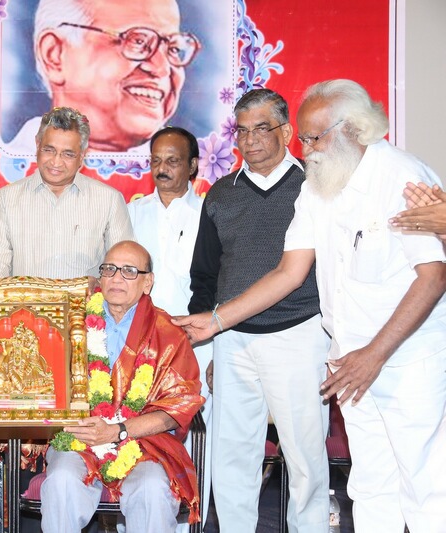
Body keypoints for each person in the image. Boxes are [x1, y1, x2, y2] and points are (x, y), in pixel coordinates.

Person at [178, 79, 446, 533]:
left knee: (423, 484)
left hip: (403, 360)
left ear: (354, 130)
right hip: (351, 361)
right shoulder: (319, 187)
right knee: (370, 484)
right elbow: (289, 272)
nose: (306, 148)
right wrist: (216, 321)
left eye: (313, 137)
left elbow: (433, 277)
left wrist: (373, 356)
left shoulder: (403, 178)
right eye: (304, 138)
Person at [188, 88, 330, 532]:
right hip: (231, 341)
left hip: (299, 333)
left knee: (305, 454)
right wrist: (209, 349)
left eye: (261, 129)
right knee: (232, 453)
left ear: (287, 132)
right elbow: (205, 278)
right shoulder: (220, 195)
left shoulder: (316, 185)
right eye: (241, 131)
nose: (249, 141)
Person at [41, 240, 204, 531]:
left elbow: (175, 409)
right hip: (79, 437)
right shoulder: (67, 323)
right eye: (109, 269)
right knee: (61, 481)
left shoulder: (169, 334)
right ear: (100, 277)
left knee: (153, 489)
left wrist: (118, 432)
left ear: (147, 282)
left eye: (129, 271)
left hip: (145, 444)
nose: (116, 277)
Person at [126, 126, 213, 529]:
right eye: (156, 161)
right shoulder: (131, 214)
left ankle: (190, 522)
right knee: (134, 434)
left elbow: (221, 284)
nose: (162, 169)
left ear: (193, 165)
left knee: (200, 439)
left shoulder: (209, 215)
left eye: (173, 161)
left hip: (197, 348)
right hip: (136, 352)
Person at [5, 0, 200, 154]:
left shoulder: (189, 174)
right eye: (138, 41)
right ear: (54, 55)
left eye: (173, 49)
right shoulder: (8, 169)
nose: (162, 68)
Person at [0, 106, 133, 279]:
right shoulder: (5, 199)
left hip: (88, 305)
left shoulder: (108, 200)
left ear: (82, 156)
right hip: (23, 306)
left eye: (68, 154)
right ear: (37, 144)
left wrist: (99, 286)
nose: (56, 162)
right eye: (49, 150)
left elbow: (125, 269)